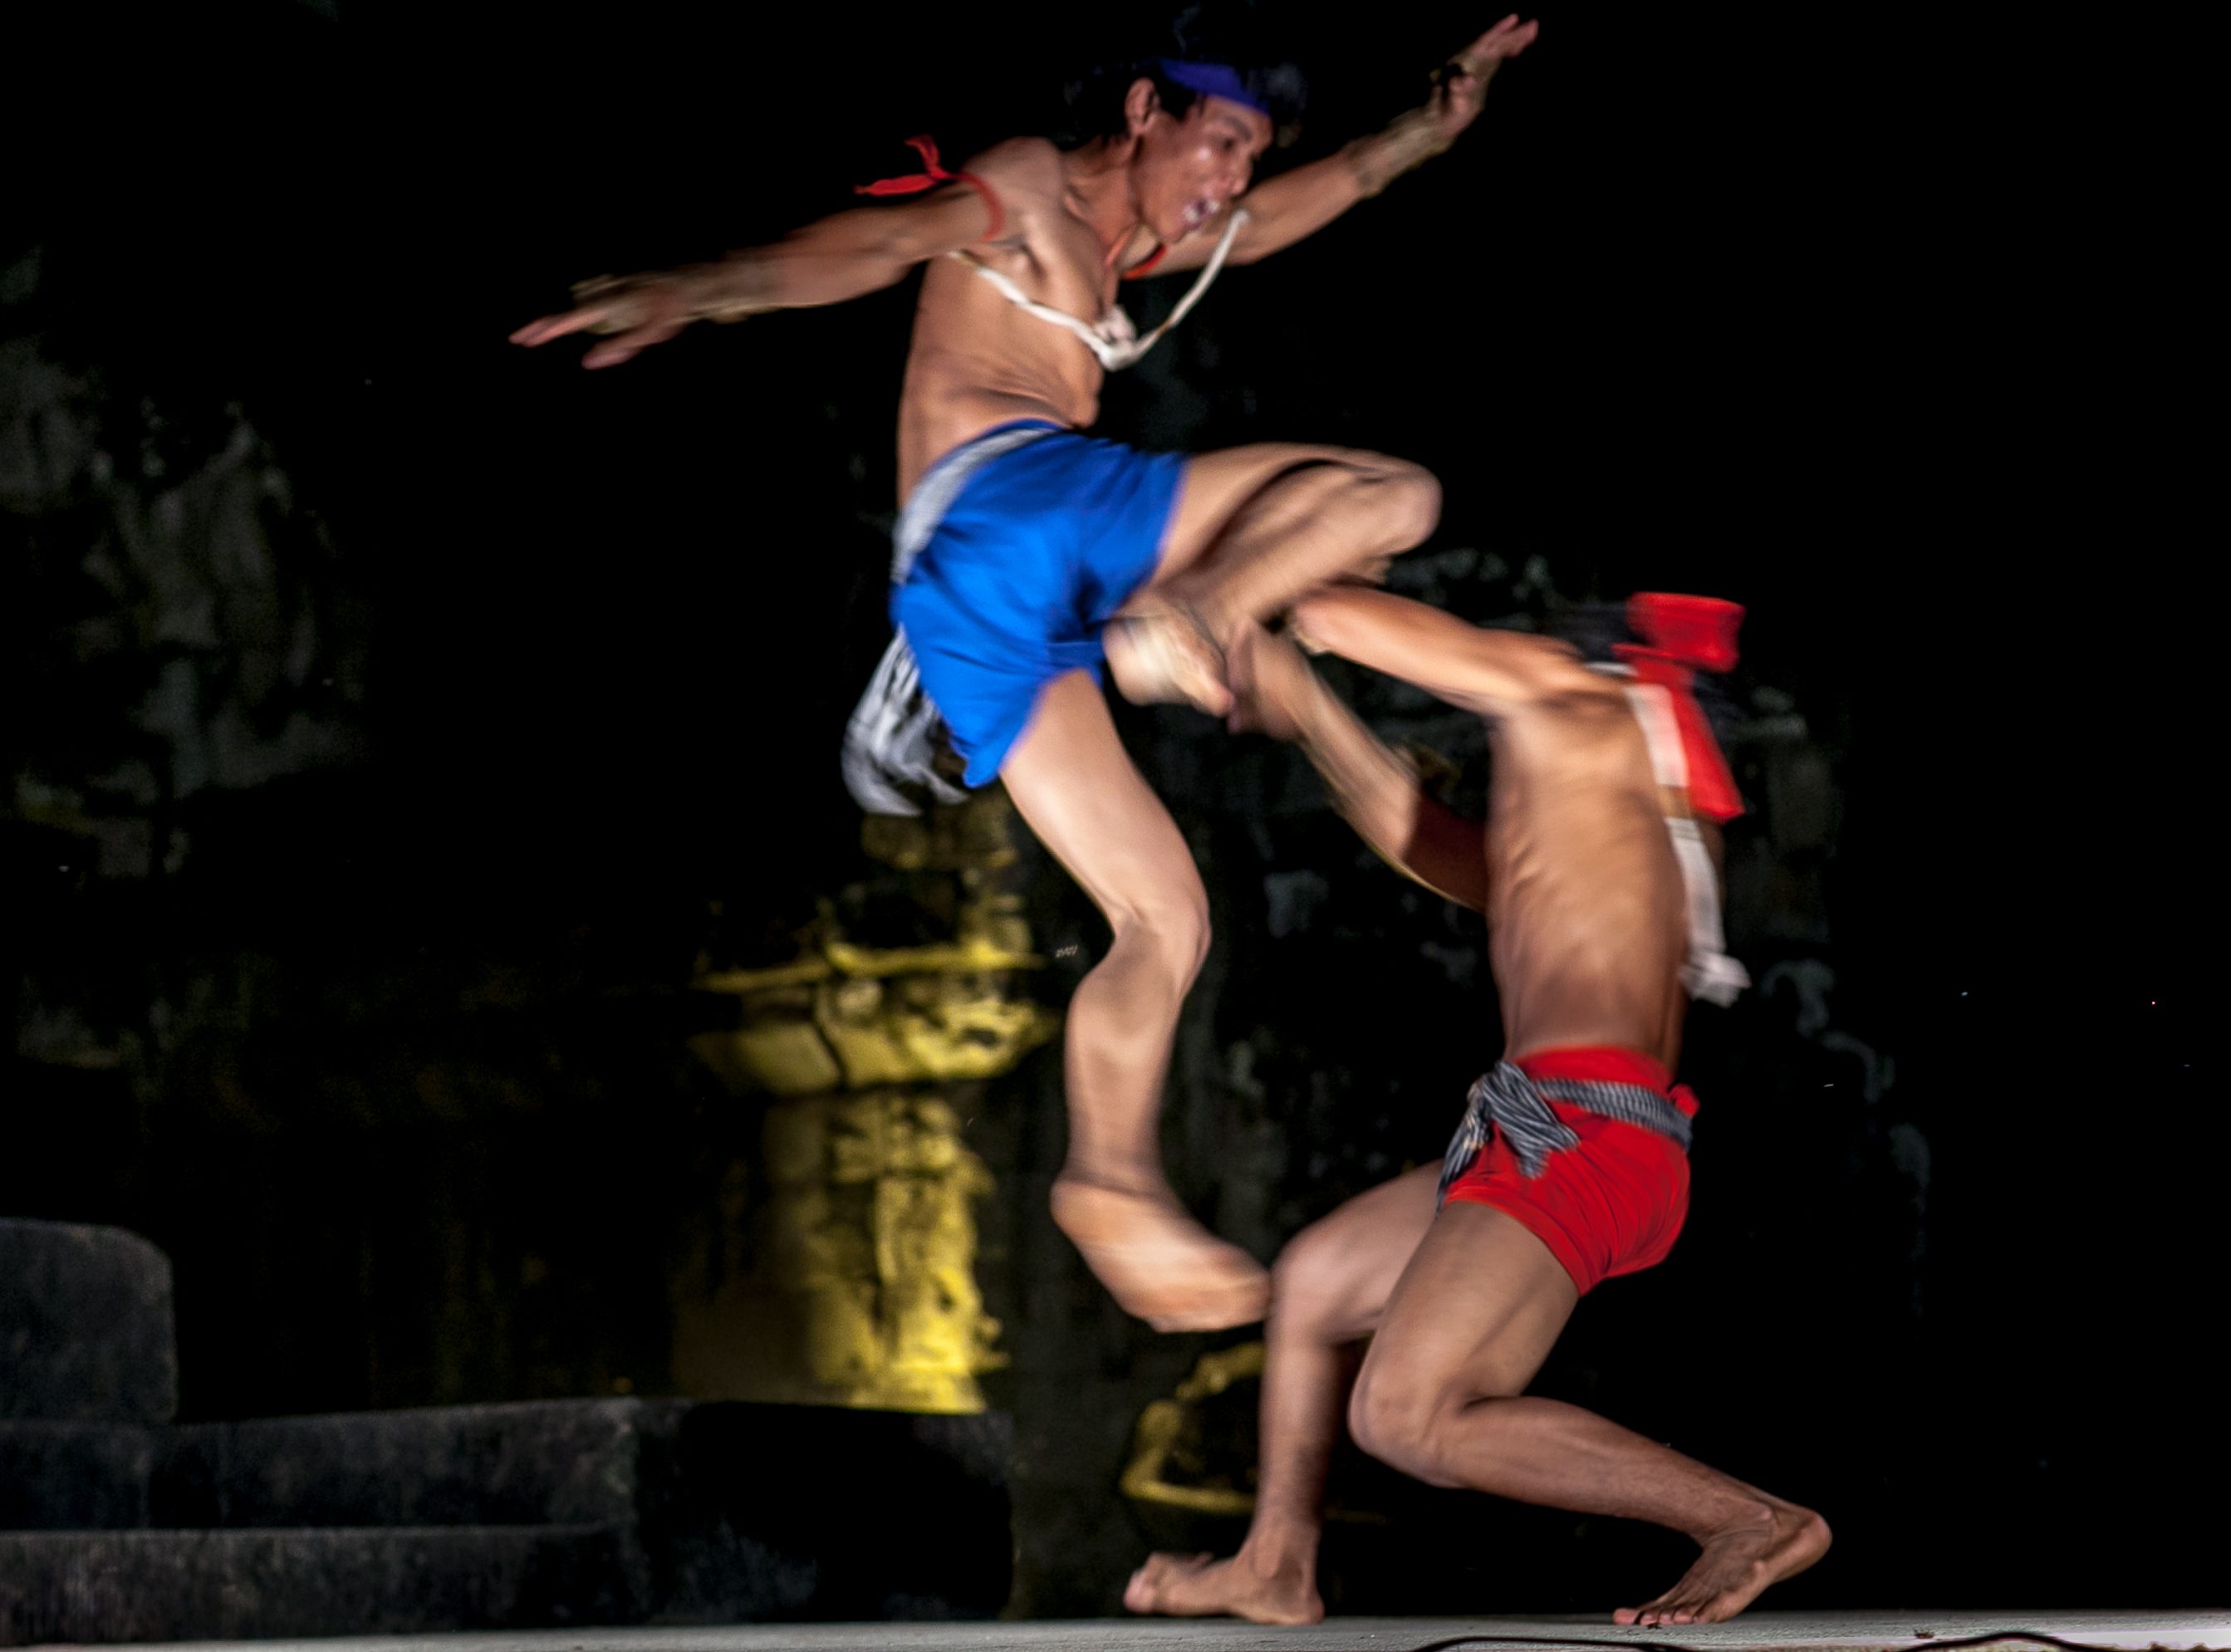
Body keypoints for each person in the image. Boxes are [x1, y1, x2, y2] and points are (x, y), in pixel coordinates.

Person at [511, 15, 1538, 1335]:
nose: (1227, 180)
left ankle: (1108, 1181)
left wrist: (1420, 132)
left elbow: (1289, 212)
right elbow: (874, 244)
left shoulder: (1140, 237)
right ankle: (1202, 614)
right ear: (1145, 109)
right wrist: (699, 290)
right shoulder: (1031, 187)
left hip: (982, 602)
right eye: (1217, 142)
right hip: (1017, 509)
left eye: (1245, 156)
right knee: (1391, 494)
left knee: (1166, 917)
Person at [1123, 591, 1831, 1625]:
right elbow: (1430, 844)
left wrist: (1235, 605)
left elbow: (1365, 622)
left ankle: (1752, 1519)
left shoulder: (1574, 701)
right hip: (1572, 1133)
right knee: (1317, 1282)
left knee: (1408, 1415)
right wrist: (1312, 711)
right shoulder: (1624, 806)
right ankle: (1276, 1561)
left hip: (1581, 1136)